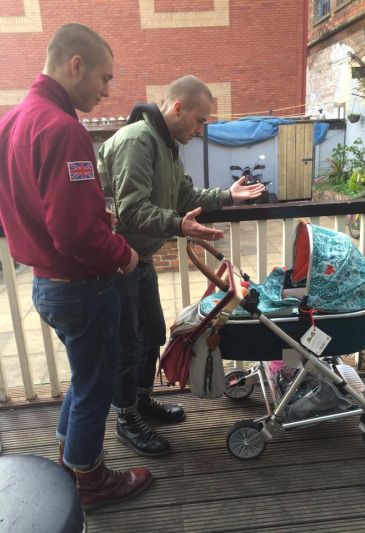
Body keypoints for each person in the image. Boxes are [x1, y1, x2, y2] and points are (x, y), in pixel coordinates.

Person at [0, 23, 152, 511]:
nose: (108, 91)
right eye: (105, 78)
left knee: (85, 378)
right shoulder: (62, 129)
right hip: (82, 287)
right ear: (76, 65)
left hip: (46, 284)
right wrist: (123, 254)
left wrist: (78, 220)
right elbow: (77, 235)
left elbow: (28, 206)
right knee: (96, 385)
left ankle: (69, 459)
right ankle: (90, 480)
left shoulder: (11, 122)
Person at [98, 75, 265, 457]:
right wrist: (178, 224)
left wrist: (228, 195)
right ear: (178, 109)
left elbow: (184, 195)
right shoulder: (138, 141)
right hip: (116, 263)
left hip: (139, 260)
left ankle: (141, 402)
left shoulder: (166, 144)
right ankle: (127, 418)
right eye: (200, 120)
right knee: (127, 345)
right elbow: (131, 209)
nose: (203, 130)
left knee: (154, 333)